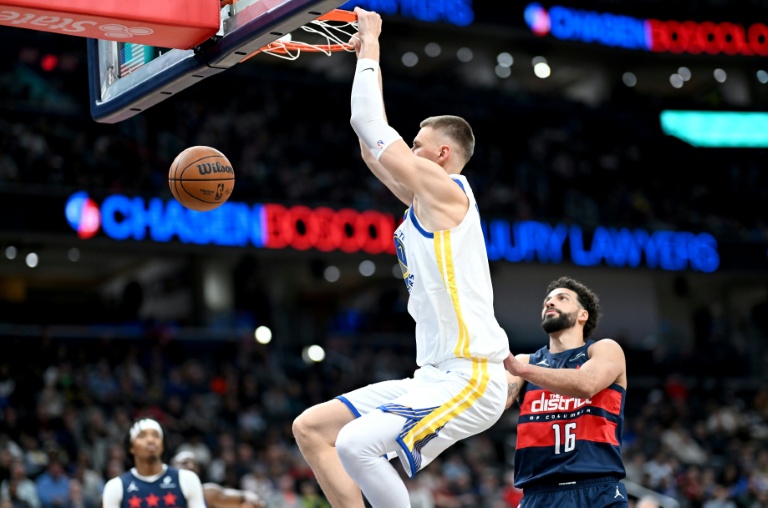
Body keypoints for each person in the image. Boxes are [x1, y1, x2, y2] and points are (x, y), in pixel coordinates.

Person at [292, 7, 515, 508]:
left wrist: (370, 40)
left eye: (417, 144)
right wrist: (360, 64)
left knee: (355, 443)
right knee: (311, 429)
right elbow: (370, 146)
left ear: (441, 156)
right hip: (433, 375)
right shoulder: (422, 202)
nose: (407, 150)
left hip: (473, 375)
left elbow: (370, 125)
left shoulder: (449, 191)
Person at [503, 276, 628, 507]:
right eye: (547, 300)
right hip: (537, 493)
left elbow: (586, 384)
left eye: (562, 298)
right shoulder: (526, 361)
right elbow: (495, 402)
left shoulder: (604, 350)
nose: (549, 303)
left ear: (583, 315)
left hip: (596, 489)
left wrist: (522, 370)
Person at [101, 418, 205, 508]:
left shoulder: (187, 479)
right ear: (131, 447)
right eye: (142, 436)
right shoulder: (115, 486)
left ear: (162, 445)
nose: (151, 440)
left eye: (156, 435)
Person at [170, 451, 265, 508]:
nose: (191, 466)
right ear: (171, 468)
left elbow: (245, 496)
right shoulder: (159, 491)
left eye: (195, 464)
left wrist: (253, 500)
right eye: (184, 463)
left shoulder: (207, 493)